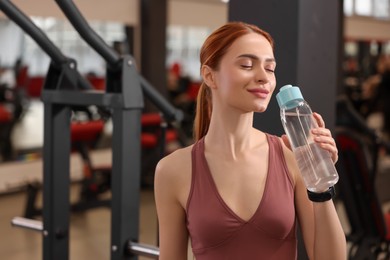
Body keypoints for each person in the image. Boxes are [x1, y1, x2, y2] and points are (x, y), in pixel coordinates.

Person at [154, 21, 346, 259]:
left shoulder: (291, 157)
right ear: (209, 75)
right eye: (247, 65)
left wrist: (320, 187)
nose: (264, 77)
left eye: (270, 68)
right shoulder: (172, 170)